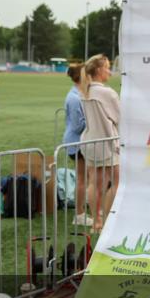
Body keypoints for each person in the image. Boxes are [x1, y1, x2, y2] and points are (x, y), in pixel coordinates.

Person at [79, 54, 120, 233]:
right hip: (107, 142)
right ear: (98, 70)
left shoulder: (84, 90)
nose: (109, 71)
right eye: (107, 67)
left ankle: (97, 222)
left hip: (90, 141)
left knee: (94, 182)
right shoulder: (107, 92)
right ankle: (108, 219)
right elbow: (120, 117)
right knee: (119, 181)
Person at [63, 63, 89, 226]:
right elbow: (77, 125)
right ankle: (79, 215)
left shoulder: (79, 94)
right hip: (76, 142)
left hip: (80, 141)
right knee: (82, 179)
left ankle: (83, 210)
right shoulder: (74, 98)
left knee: (85, 178)